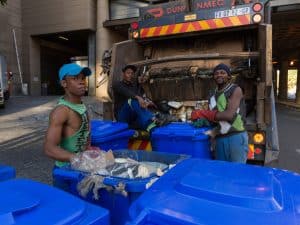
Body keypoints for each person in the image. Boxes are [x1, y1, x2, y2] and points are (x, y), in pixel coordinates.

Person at [191, 63, 248, 163]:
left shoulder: (235, 90)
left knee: (236, 172)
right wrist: (205, 121)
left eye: (223, 73)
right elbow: (216, 117)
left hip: (236, 137)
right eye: (216, 73)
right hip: (220, 138)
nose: (219, 75)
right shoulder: (212, 94)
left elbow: (229, 115)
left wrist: (202, 113)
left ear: (229, 76)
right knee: (221, 172)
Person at [43, 63, 92, 168]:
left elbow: (85, 136)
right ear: (64, 83)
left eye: (83, 78)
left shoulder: (81, 106)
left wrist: (90, 153)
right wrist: (78, 159)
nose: (82, 82)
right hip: (65, 171)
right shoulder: (61, 111)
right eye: (75, 78)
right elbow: (49, 149)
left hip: (82, 167)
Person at [113, 64, 167, 132]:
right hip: (122, 116)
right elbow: (127, 92)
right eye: (128, 73)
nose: (130, 75)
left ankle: (152, 126)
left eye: (132, 73)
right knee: (132, 100)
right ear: (123, 74)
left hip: (132, 119)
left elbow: (141, 98)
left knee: (147, 123)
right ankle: (152, 118)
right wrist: (138, 98)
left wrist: (148, 103)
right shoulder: (117, 84)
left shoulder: (134, 87)